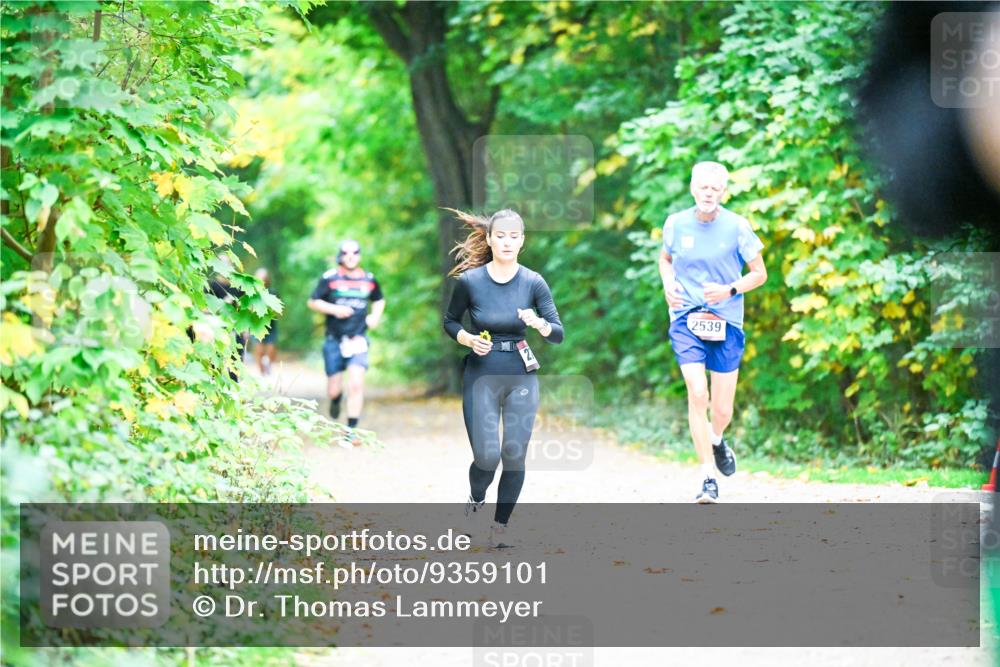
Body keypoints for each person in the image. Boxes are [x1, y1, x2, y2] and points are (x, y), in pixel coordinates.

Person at [443, 208, 564, 547]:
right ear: (489, 239)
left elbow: (558, 333)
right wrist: (466, 339)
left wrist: (540, 323)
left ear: (522, 242)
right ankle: (476, 499)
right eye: (501, 236)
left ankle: (500, 529)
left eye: (514, 236)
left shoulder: (533, 281)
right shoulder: (470, 282)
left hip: (521, 375)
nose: (507, 242)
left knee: (513, 453)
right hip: (481, 375)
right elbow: (451, 322)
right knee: (486, 456)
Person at [659, 161, 767, 503]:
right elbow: (665, 260)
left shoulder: (737, 226)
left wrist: (730, 290)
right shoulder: (675, 223)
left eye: (715, 188)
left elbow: (760, 274)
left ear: (723, 192)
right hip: (686, 317)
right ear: (693, 188)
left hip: (726, 320)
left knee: (722, 410)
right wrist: (667, 285)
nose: (708, 193)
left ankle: (717, 439)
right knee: (697, 391)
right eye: (703, 187)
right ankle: (707, 476)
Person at [307, 240, 385, 438]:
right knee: (334, 389)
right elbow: (313, 301)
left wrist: (375, 317)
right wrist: (335, 309)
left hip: (358, 339)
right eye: (346, 253)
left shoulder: (369, 279)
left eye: (355, 252)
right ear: (340, 256)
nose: (350, 256)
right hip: (334, 339)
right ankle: (335, 400)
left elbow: (379, 299)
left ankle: (351, 430)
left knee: (356, 383)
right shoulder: (330, 278)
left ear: (359, 256)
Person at [254, 267, 278, 376]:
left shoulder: (273, 293)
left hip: (270, 326)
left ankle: (268, 365)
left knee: (271, 350)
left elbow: (279, 310)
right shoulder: (251, 294)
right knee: (259, 351)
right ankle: (262, 373)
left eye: (263, 279)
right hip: (256, 325)